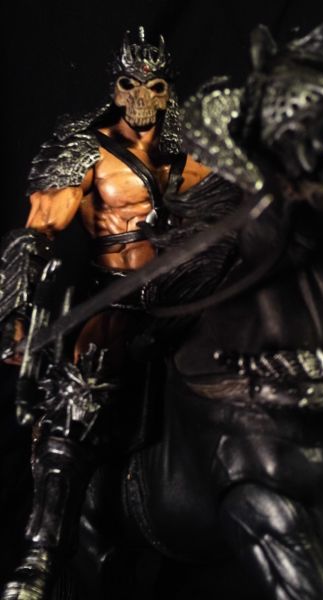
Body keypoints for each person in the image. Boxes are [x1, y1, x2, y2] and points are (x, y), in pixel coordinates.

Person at [0, 26, 211, 600]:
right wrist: (14, 311)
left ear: (168, 90)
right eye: (129, 84)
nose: (141, 97)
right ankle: (42, 552)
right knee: (80, 395)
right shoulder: (84, 148)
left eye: (154, 85)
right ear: (115, 87)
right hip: (116, 297)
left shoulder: (196, 151)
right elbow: (36, 232)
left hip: (186, 294)